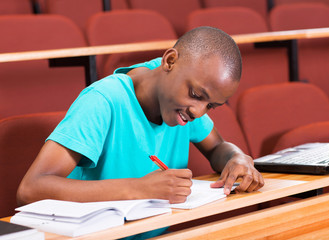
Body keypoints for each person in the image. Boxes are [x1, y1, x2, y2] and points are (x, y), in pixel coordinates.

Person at [17, 26, 264, 238]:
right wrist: (139, 189)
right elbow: (30, 189)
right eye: (197, 96)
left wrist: (236, 157)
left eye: (210, 106)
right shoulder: (103, 101)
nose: (199, 112)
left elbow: (217, 148)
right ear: (169, 62)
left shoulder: (184, 101)